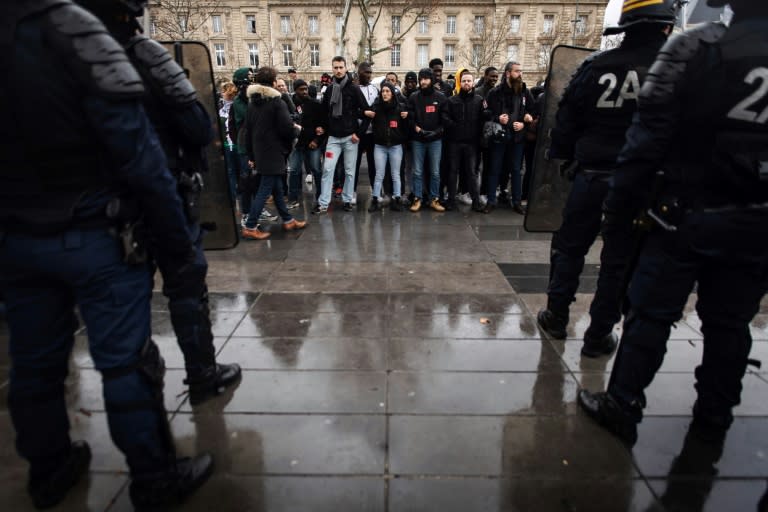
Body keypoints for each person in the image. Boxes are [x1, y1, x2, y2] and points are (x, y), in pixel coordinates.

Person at [0, 1, 213, 509]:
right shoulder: (69, 29)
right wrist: (177, 242)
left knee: (33, 364)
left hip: (15, 237)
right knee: (124, 364)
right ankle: (154, 476)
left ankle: (48, 471)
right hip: (96, 230)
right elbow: (141, 156)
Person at [578, 0, 768, 449]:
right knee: (731, 322)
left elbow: (645, 142)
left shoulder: (694, 49)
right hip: (757, 219)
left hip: (684, 212)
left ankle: (623, 405)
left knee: (650, 313)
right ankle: (715, 414)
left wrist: (620, 208)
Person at [82, 0, 244, 405]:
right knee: (186, 285)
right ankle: (202, 374)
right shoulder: (148, 56)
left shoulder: (64, 62)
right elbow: (195, 126)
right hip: (161, 192)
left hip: (100, 205)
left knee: (124, 304)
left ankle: (137, 401)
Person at [536, 0, 676, 358]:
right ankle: (598, 334)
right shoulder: (676, 70)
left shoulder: (595, 66)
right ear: (665, 28)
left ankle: (556, 315)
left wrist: (566, 156)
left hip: (591, 176)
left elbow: (564, 118)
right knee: (619, 260)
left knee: (569, 248)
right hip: (641, 184)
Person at [242, 67, 308, 239]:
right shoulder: (276, 102)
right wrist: (298, 130)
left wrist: (251, 156)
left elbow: (247, 132)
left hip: (260, 152)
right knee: (265, 189)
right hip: (273, 152)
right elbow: (287, 128)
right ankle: (250, 225)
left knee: (277, 188)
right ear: (273, 82)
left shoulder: (252, 103)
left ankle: (287, 220)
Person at [314, 56, 369, 214]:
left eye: (341, 67)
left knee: (350, 171)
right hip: (333, 138)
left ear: (346, 68)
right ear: (332, 69)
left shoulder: (354, 89)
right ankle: (323, 203)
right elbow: (324, 112)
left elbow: (367, 113)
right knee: (328, 169)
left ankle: (347, 200)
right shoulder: (330, 89)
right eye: (335, 67)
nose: (338, 70)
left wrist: (359, 134)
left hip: (350, 138)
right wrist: (321, 127)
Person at [483, 61, 534, 214]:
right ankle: (491, 201)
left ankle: (517, 202)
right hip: (499, 138)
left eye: (520, 71)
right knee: (495, 169)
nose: (520, 74)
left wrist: (525, 122)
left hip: (517, 138)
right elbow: (485, 113)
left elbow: (533, 111)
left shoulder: (525, 91)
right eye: (517, 71)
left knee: (516, 170)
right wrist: (498, 118)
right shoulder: (495, 92)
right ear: (507, 73)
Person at [442, 70, 485, 212]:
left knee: (471, 173)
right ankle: (451, 200)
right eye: (464, 80)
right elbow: (445, 118)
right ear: (460, 82)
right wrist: (455, 127)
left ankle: (476, 201)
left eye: (469, 81)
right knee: (453, 171)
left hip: (472, 144)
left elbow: (483, 118)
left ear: (473, 83)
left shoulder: (479, 100)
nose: (466, 83)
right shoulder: (452, 100)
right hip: (454, 142)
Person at [407, 68, 447, 212]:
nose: (423, 81)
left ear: (431, 80)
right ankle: (417, 198)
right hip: (418, 139)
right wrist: (418, 129)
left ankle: (434, 199)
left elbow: (445, 120)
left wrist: (436, 132)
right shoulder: (414, 97)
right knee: (417, 171)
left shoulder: (441, 97)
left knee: (435, 171)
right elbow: (410, 118)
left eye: (426, 78)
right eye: (421, 78)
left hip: (435, 140)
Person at [366, 82, 408, 212]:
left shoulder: (400, 107)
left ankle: (396, 199)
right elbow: (362, 112)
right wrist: (366, 112)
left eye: (387, 91)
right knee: (379, 174)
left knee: (396, 174)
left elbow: (406, 126)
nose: (385, 93)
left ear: (392, 93)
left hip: (396, 146)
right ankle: (375, 199)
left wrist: (407, 117)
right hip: (380, 146)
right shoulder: (376, 107)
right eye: (383, 91)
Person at [290, 79, 325, 203]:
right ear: (295, 90)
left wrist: (316, 140)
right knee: (294, 170)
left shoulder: (315, 104)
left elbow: (323, 125)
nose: (305, 92)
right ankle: (293, 197)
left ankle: (320, 196)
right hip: (298, 143)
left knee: (316, 169)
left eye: (306, 89)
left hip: (312, 143)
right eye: (301, 89)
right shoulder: (291, 104)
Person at [355, 62, 380, 204]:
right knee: (354, 165)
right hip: (358, 133)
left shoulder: (375, 89)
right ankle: (351, 192)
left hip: (373, 134)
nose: (369, 75)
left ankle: (375, 192)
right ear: (359, 73)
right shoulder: (353, 89)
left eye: (370, 72)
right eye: (366, 72)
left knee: (373, 165)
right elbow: (351, 110)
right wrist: (364, 113)